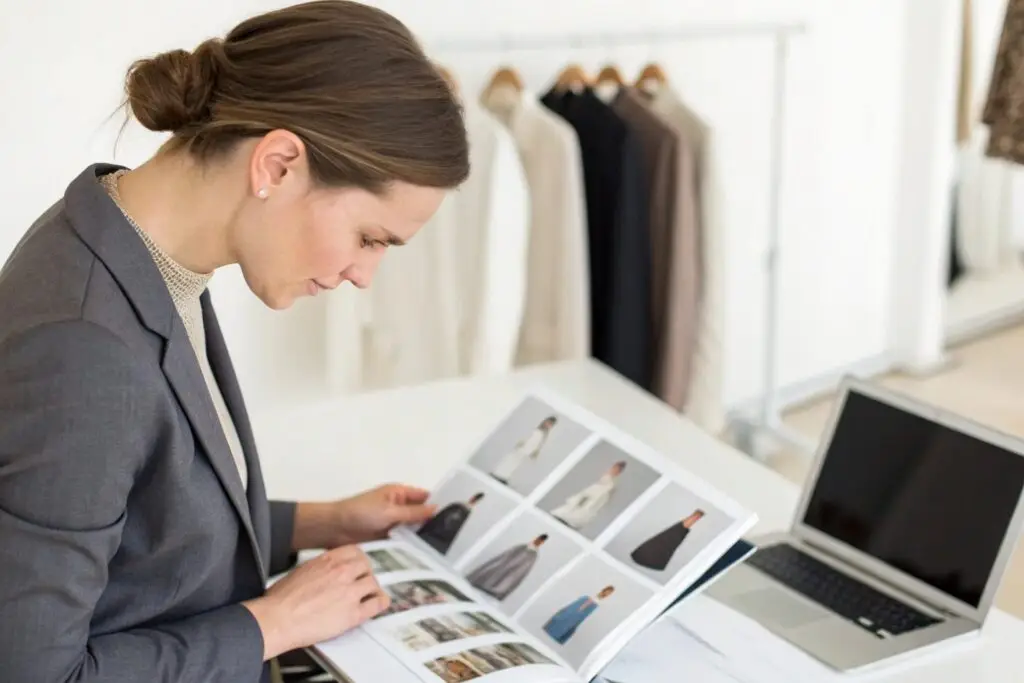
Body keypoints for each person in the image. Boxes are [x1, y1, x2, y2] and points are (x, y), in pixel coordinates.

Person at [0, 2, 470, 682]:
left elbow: (138, 516)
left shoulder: (138, 251)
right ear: (276, 165)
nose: (363, 275)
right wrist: (276, 622)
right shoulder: (83, 348)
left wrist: (324, 521)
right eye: (370, 238)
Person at [466, 533, 549, 600]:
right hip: (501, 566)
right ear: (536, 538)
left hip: (510, 574)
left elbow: (523, 570)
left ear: (542, 543)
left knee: (499, 585)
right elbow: (506, 555)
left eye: (540, 541)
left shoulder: (533, 555)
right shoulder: (522, 546)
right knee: (487, 576)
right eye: (538, 539)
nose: (538, 541)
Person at [550, 460, 627, 529]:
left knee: (588, 507)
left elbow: (610, 489)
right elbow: (601, 482)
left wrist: (607, 491)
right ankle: (565, 514)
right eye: (614, 467)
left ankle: (573, 520)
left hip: (600, 495)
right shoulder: (607, 474)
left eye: (617, 469)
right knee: (580, 502)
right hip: (593, 491)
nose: (615, 470)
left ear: (619, 471)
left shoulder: (615, 481)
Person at [630, 509, 706, 571]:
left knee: (677, 532)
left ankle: (695, 516)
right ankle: (695, 516)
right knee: (676, 532)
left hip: (647, 556)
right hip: (646, 556)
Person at [490, 415, 558, 484]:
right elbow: (526, 437)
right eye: (548, 422)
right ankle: (497, 473)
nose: (548, 425)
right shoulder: (536, 429)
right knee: (510, 461)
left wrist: (534, 452)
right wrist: (520, 444)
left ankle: (503, 476)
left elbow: (538, 444)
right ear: (545, 421)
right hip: (522, 448)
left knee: (514, 464)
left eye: (551, 424)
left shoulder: (544, 434)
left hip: (527, 451)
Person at [542, 585, 616, 645]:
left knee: (571, 625)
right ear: (605, 589)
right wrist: (583, 606)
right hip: (579, 607)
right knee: (565, 617)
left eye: (610, 593)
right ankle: (550, 629)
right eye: (608, 591)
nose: (608, 593)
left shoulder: (601, 602)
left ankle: (558, 636)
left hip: (584, 613)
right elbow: (584, 600)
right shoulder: (594, 594)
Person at [417, 491, 486, 554]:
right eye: (475, 498)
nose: (474, 500)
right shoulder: (458, 505)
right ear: (473, 497)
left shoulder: (467, 511)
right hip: (434, 532)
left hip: (444, 539)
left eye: (477, 500)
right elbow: (442, 515)